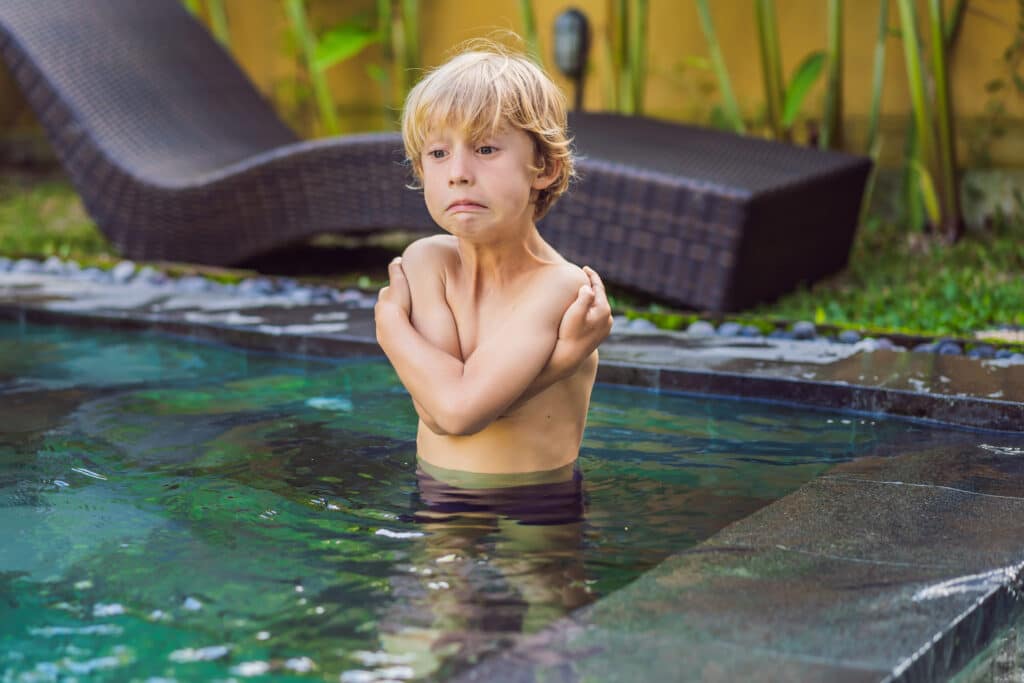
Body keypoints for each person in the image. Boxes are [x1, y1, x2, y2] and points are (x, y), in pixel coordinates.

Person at [374, 42, 613, 480]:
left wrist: (389, 328)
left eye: (485, 149)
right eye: (438, 153)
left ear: (544, 169)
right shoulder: (428, 263)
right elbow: (434, 408)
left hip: (538, 504)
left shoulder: (559, 288)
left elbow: (457, 413)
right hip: (437, 497)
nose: (458, 172)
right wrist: (559, 361)